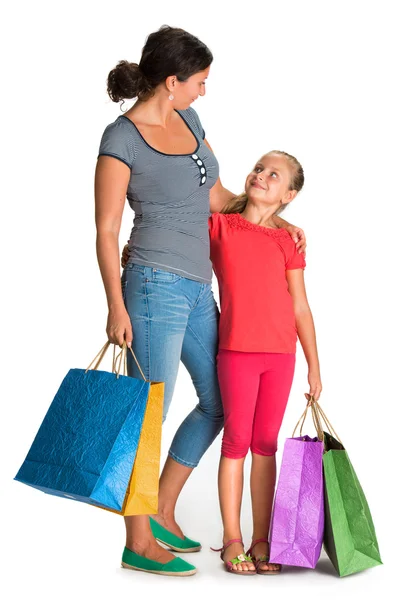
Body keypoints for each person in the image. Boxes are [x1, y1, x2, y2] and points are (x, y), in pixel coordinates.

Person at [95, 25, 306, 577]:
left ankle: (162, 509)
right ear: (172, 81)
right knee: (149, 415)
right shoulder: (121, 139)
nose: (204, 91)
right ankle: (137, 541)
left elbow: (216, 197)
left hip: (196, 289)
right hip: (151, 285)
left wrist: (277, 221)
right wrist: (116, 306)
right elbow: (106, 228)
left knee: (219, 404)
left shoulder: (190, 120)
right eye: (200, 82)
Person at [209, 150, 322, 575]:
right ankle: (231, 539)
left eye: (274, 175)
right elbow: (180, 245)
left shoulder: (286, 240)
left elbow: (301, 306)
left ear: (288, 194)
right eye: (259, 168)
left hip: (281, 354)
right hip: (236, 350)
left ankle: (261, 537)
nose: (261, 175)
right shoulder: (220, 226)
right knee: (236, 440)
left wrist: (314, 365)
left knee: (266, 444)